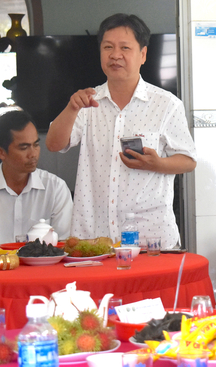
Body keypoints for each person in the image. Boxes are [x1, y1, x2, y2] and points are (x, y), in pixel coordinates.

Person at [46, 14, 196, 248]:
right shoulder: (86, 102)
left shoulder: (167, 104)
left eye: (125, 47)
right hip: (95, 238)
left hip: (151, 238)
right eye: (108, 47)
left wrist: (157, 164)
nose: (115, 55)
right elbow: (53, 144)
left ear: (143, 54)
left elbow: (188, 160)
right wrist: (71, 107)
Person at [0, 110, 73, 245]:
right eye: (24, 147)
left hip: (44, 266)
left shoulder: (56, 188)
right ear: (1, 152)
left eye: (36, 145)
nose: (33, 154)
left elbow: (64, 245)